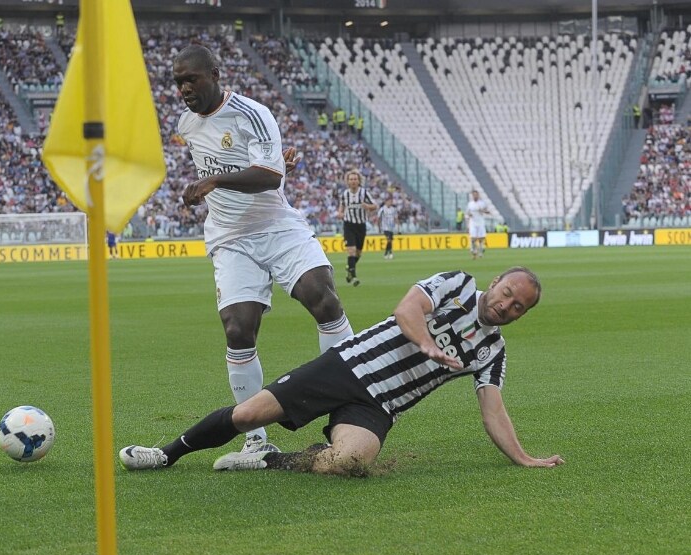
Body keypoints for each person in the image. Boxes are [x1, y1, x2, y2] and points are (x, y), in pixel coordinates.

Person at [120, 267, 565, 476]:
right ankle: (165, 453)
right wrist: (428, 346)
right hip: (347, 367)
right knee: (248, 416)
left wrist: (524, 458)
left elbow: (494, 411)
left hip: (379, 405)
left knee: (349, 463)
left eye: (518, 306)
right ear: (497, 282)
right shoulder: (459, 284)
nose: (507, 305)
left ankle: (267, 460)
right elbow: (408, 309)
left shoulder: (492, 350)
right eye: (507, 292)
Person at [172, 44, 354, 454]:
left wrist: (216, 181)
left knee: (323, 299)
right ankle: (255, 441)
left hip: (276, 226)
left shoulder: (252, 112)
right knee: (237, 329)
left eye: (191, 79)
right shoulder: (186, 123)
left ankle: (351, 401)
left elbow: (269, 177)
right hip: (230, 237)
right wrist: (218, 181)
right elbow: (241, 160)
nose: (184, 88)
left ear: (215, 74)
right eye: (178, 82)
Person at [338, 170, 377, 285]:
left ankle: (350, 268)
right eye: (351, 179)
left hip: (361, 225)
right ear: (348, 182)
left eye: (355, 179)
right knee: (351, 251)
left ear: (359, 181)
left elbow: (375, 205)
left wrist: (367, 206)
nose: (353, 181)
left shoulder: (364, 193)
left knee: (358, 253)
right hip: (349, 225)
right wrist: (340, 214)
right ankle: (354, 277)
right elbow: (341, 209)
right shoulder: (345, 194)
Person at [466, 190, 490, 260]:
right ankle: (474, 250)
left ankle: (481, 250)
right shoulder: (470, 204)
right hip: (473, 222)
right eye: (474, 195)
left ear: (478, 195)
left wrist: (483, 211)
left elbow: (488, 211)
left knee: (481, 238)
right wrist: (469, 215)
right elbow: (467, 213)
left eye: (476, 195)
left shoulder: (482, 203)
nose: (475, 196)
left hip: (480, 222)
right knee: (473, 238)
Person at [377, 196, 398, 260]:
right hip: (385, 227)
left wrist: (397, 227)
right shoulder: (382, 209)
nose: (390, 203)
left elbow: (396, 218)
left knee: (390, 241)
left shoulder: (393, 209)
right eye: (389, 201)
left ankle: (386, 253)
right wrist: (379, 227)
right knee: (389, 240)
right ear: (386, 202)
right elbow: (379, 218)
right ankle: (390, 253)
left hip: (391, 227)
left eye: (391, 201)